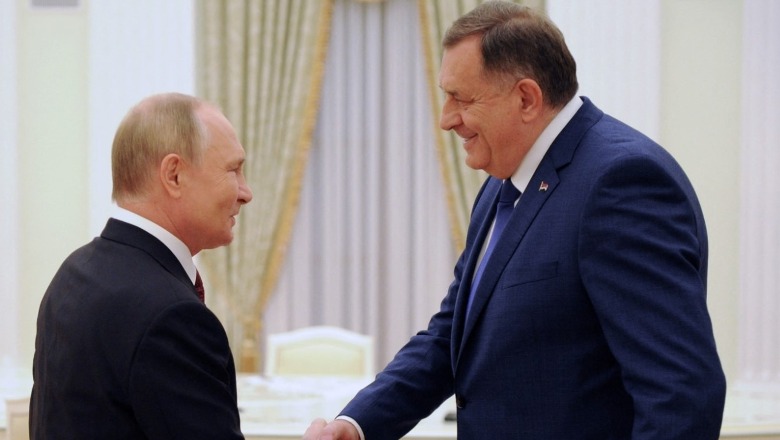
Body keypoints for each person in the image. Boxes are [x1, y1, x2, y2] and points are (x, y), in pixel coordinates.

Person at [303, 2, 726, 439]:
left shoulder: (620, 182)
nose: (446, 119)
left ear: (526, 98)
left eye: (461, 98)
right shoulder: (500, 185)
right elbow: (453, 334)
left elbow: (681, 393)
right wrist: (357, 424)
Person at [30, 92, 253, 439]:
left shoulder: (73, 273)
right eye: (233, 170)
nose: (245, 192)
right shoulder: (173, 315)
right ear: (174, 175)